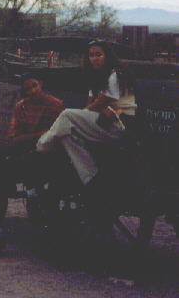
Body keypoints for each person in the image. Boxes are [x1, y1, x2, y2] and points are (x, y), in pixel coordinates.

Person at [36, 40, 136, 228]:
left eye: (99, 54)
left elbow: (102, 101)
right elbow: (93, 103)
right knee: (67, 134)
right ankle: (90, 175)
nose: (95, 58)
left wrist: (85, 112)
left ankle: (43, 144)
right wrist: (87, 112)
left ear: (106, 56)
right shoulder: (97, 77)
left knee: (66, 115)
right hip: (101, 123)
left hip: (118, 125)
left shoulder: (114, 74)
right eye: (91, 55)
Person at [0, 73, 64, 258]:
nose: (31, 91)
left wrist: (35, 138)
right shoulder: (21, 106)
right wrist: (38, 135)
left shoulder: (56, 105)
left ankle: (48, 228)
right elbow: (15, 138)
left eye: (34, 86)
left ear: (41, 84)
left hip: (48, 156)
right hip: (26, 152)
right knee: (2, 178)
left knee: (16, 169)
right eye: (27, 89)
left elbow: (56, 137)